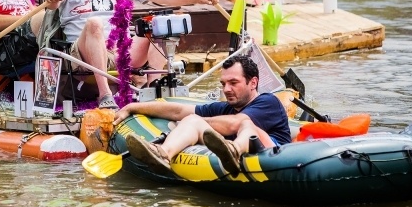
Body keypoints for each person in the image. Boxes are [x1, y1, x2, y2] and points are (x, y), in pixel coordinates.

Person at [44, 0, 220, 110]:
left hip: (120, 51)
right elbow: (54, 2)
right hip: (82, 55)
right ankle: (105, 96)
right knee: (94, 23)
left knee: (155, 23)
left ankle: (153, 91)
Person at [113, 55, 291, 176]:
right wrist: (132, 106)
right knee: (191, 119)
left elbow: (234, 124)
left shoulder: (268, 102)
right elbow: (178, 111)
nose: (226, 89)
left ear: (253, 83)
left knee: (245, 123)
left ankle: (234, 151)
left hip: (278, 158)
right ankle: (164, 154)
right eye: (223, 83)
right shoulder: (225, 108)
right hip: (239, 156)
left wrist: (194, 123)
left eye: (233, 83)